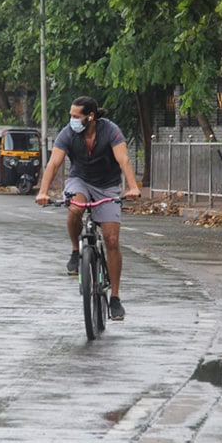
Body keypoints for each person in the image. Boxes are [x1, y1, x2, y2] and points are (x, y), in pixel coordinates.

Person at [36, 96, 141, 321]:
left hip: (107, 186)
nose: (72, 120)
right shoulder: (68, 134)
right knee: (75, 208)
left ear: (90, 116)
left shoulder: (110, 131)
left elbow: (124, 160)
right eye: (71, 116)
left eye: (76, 116)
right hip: (80, 181)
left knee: (112, 239)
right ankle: (76, 250)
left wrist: (132, 187)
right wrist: (43, 191)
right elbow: (54, 163)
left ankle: (114, 298)